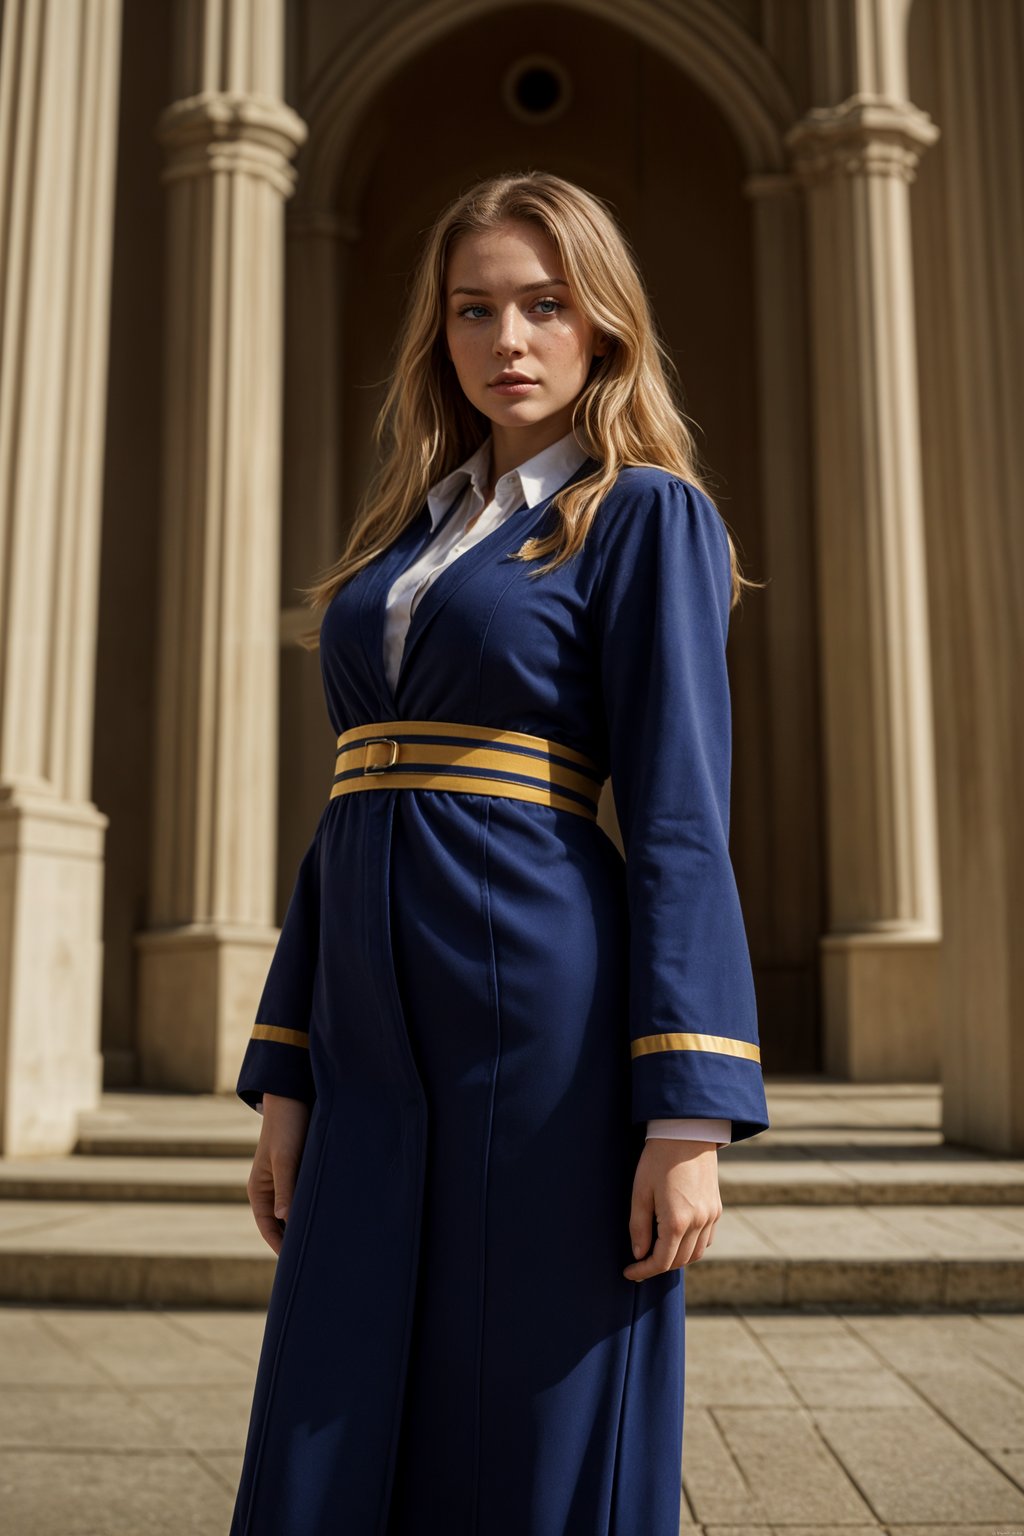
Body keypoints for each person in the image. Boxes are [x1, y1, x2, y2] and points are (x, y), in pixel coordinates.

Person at [229, 170, 769, 1536]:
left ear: (604, 327)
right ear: (442, 331)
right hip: (365, 1018)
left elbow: (679, 817)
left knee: (524, 1397)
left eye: (544, 305)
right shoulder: (405, 535)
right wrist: (288, 1069)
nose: (507, 339)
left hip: (539, 1010)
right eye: (475, 309)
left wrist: (689, 1113)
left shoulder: (643, 513)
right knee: (332, 1385)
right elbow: (350, 802)